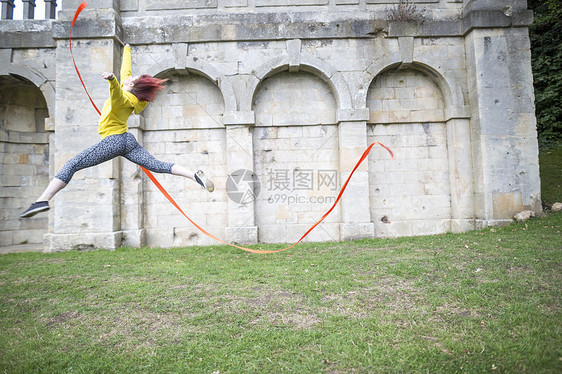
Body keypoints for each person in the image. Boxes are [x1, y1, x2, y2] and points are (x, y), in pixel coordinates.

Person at [20, 44, 213, 218]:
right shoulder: (135, 98)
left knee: (71, 164)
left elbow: (116, 92)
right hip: (127, 140)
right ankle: (194, 176)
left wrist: (112, 79)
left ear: (131, 85)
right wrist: (126, 50)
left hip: (114, 141)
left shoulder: (124, 98)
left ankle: (42, 200)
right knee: (157, 164)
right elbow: (125, 71)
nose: (129, 77)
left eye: (131, 79)